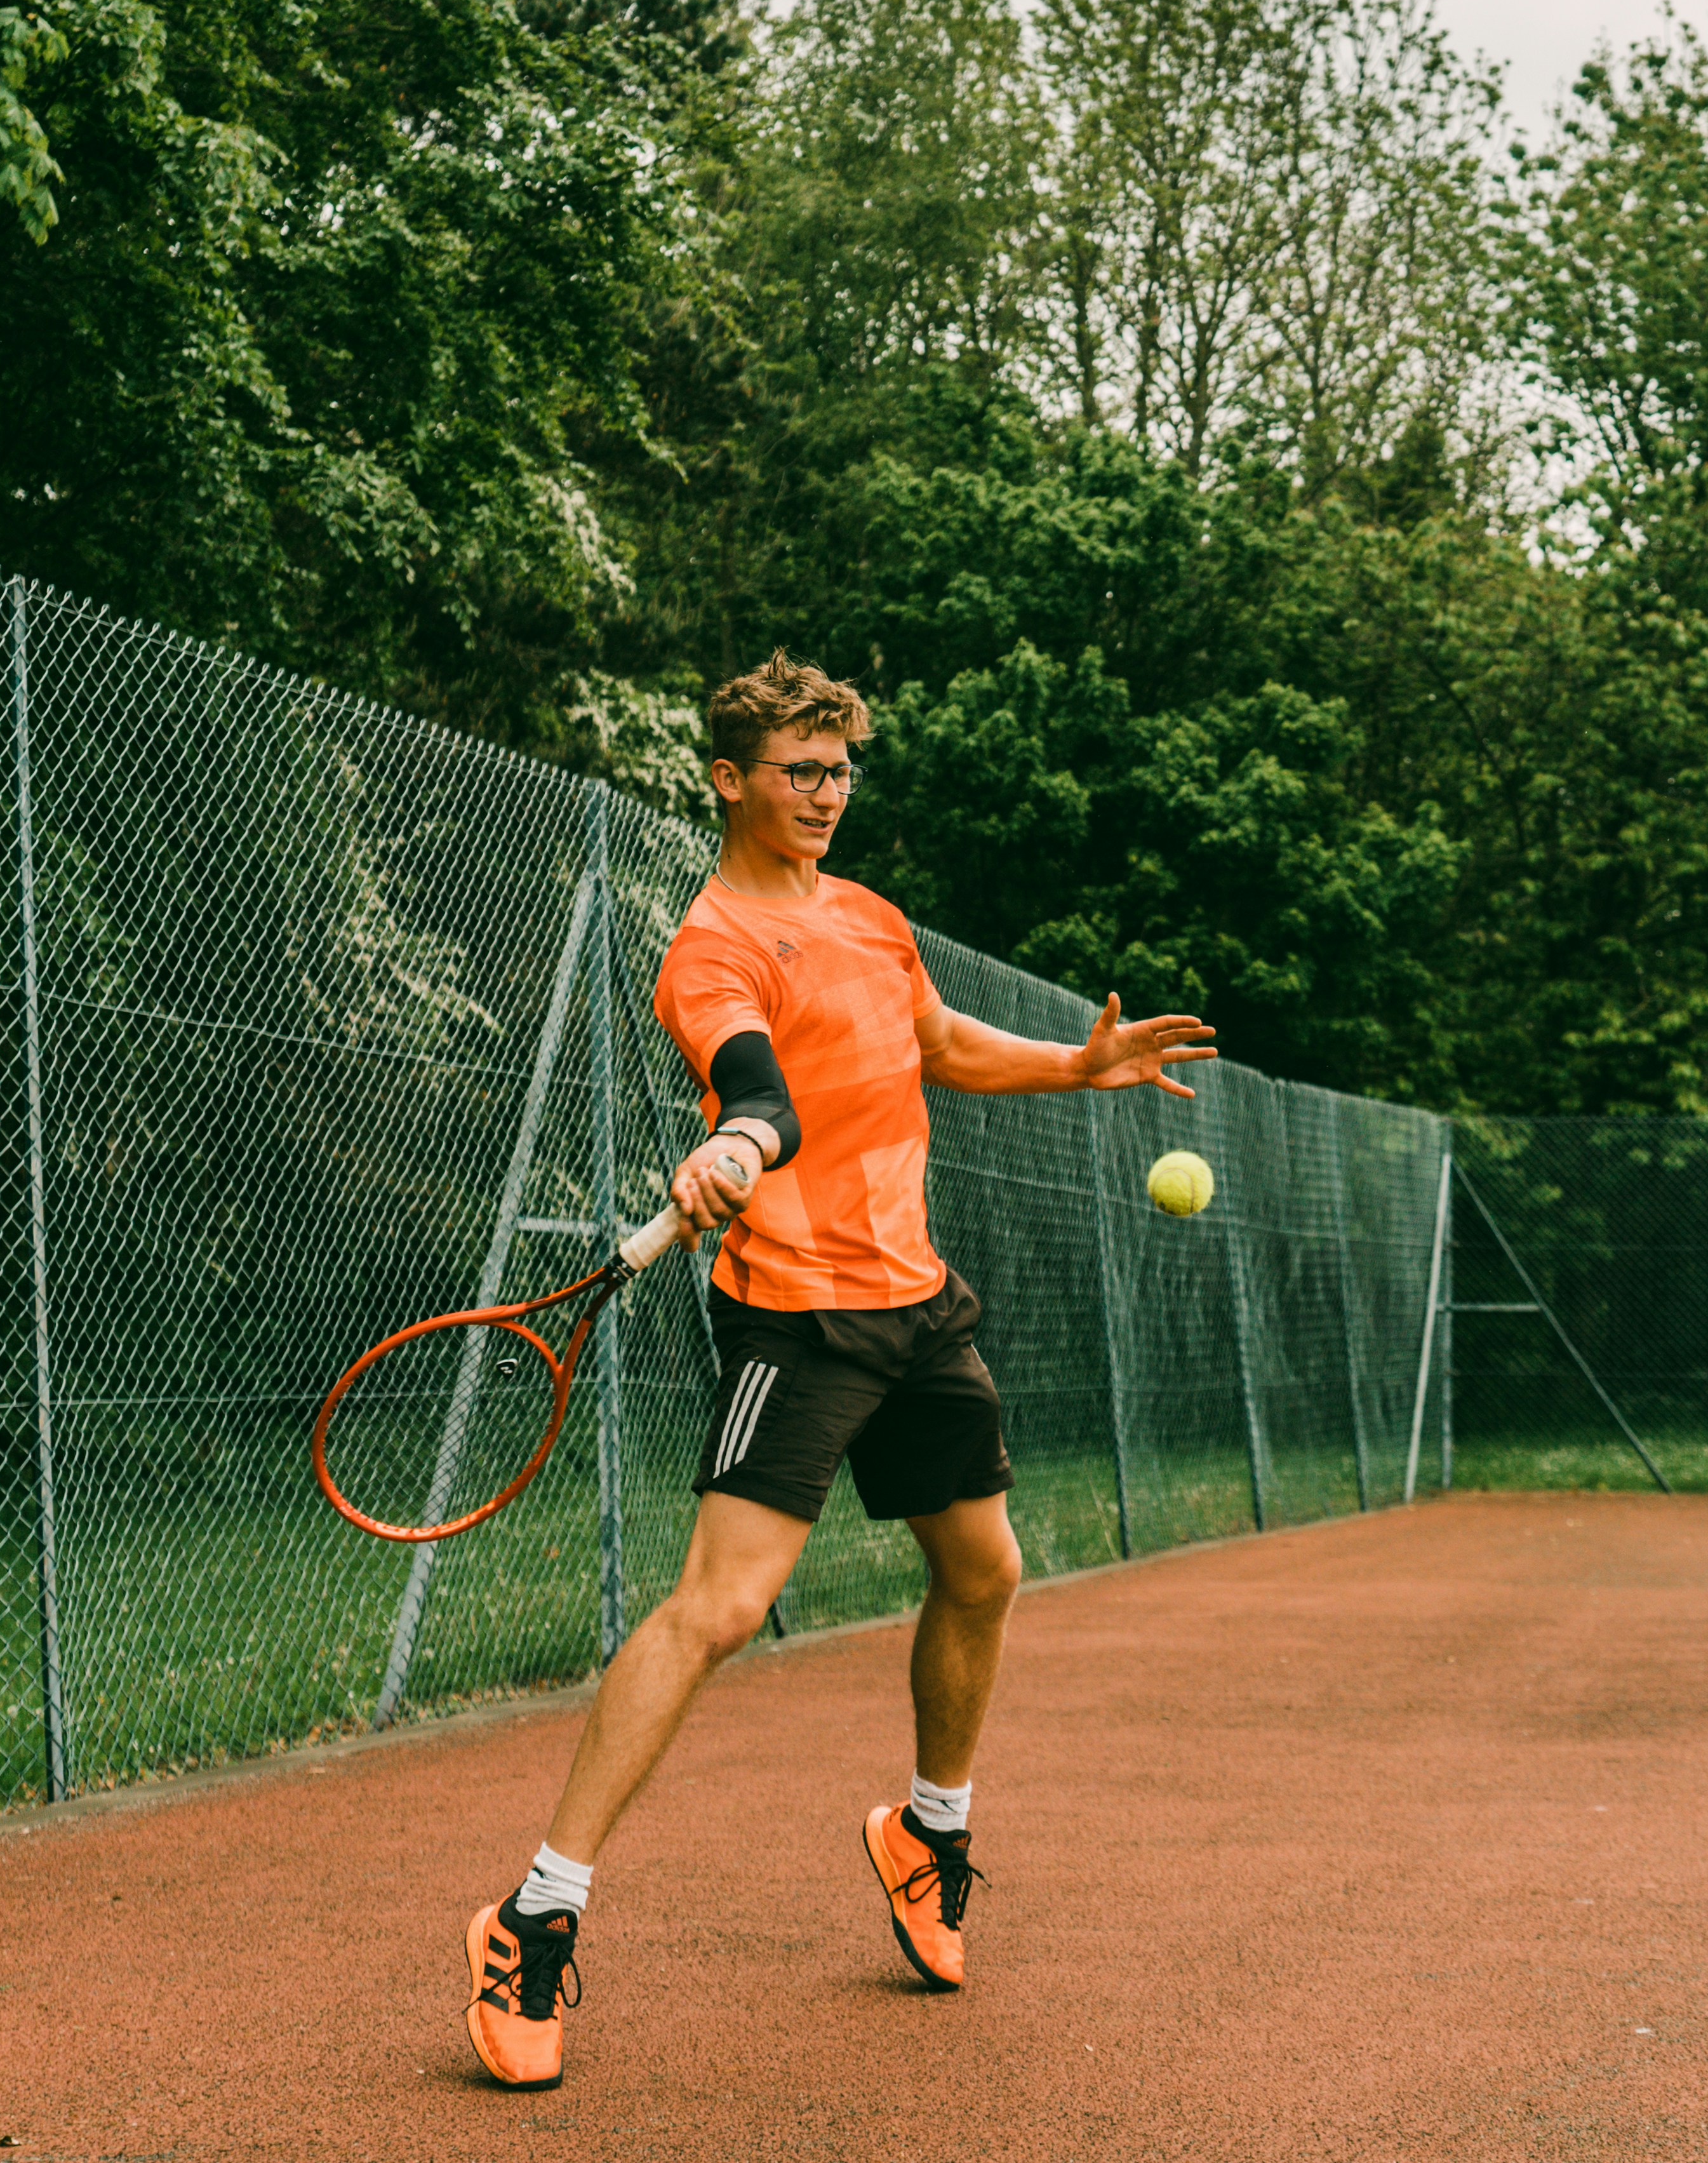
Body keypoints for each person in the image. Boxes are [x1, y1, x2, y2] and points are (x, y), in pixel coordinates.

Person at [462, 652, 1215, 2091]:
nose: (826, 794)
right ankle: (535, 1912)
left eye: (840, 770)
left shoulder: (871, 919)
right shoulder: (711, 944)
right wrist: (739, 1144)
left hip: (917, 1303)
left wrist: (1075, 1062)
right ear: (729, 779)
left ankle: (928, 1832)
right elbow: (753, 1086)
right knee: (720, 1607)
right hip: (794, 1320)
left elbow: (930, 1043)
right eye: (800, 770)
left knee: (984, 1568)